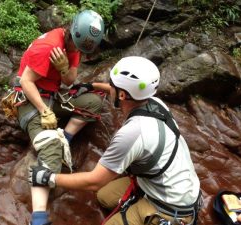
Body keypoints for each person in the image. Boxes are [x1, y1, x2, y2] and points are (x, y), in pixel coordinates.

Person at [28, 56, 202, 225]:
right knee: (104, 197)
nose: (109, 88)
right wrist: (91, 86)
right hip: (169, 183)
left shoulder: (132, 134)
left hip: (170, 207)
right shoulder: (156, 103)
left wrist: (48, 177)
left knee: (100, 189)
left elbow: (94, 181)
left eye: (112, 86)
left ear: (123, 96)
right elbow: (123, 91)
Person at [15, 9, 106, 225]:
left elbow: (69, 80)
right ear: (71, 32)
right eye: (76, 45)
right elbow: (26, 82)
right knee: (50, 146)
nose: (77, 50)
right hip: (29, 99)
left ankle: (66, 137)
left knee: (93, 103)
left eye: (81, 49)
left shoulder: (77, 42)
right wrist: (44, 111)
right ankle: (38, 218)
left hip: (53, 96)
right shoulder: (48, 47)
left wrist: (64, 67)